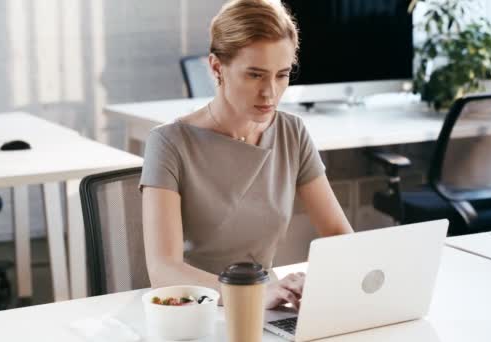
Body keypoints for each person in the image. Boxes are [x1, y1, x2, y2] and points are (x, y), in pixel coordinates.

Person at [140, 0, 353, 310]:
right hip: (194, 310)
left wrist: (319, 281)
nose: (270, 93)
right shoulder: (169, 143)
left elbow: (337, 233)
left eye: (282, 75)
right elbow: (164, 271)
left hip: (267, 310)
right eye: (255, 75)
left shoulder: (291, 132)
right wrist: (253, 294)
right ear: (216, 68)